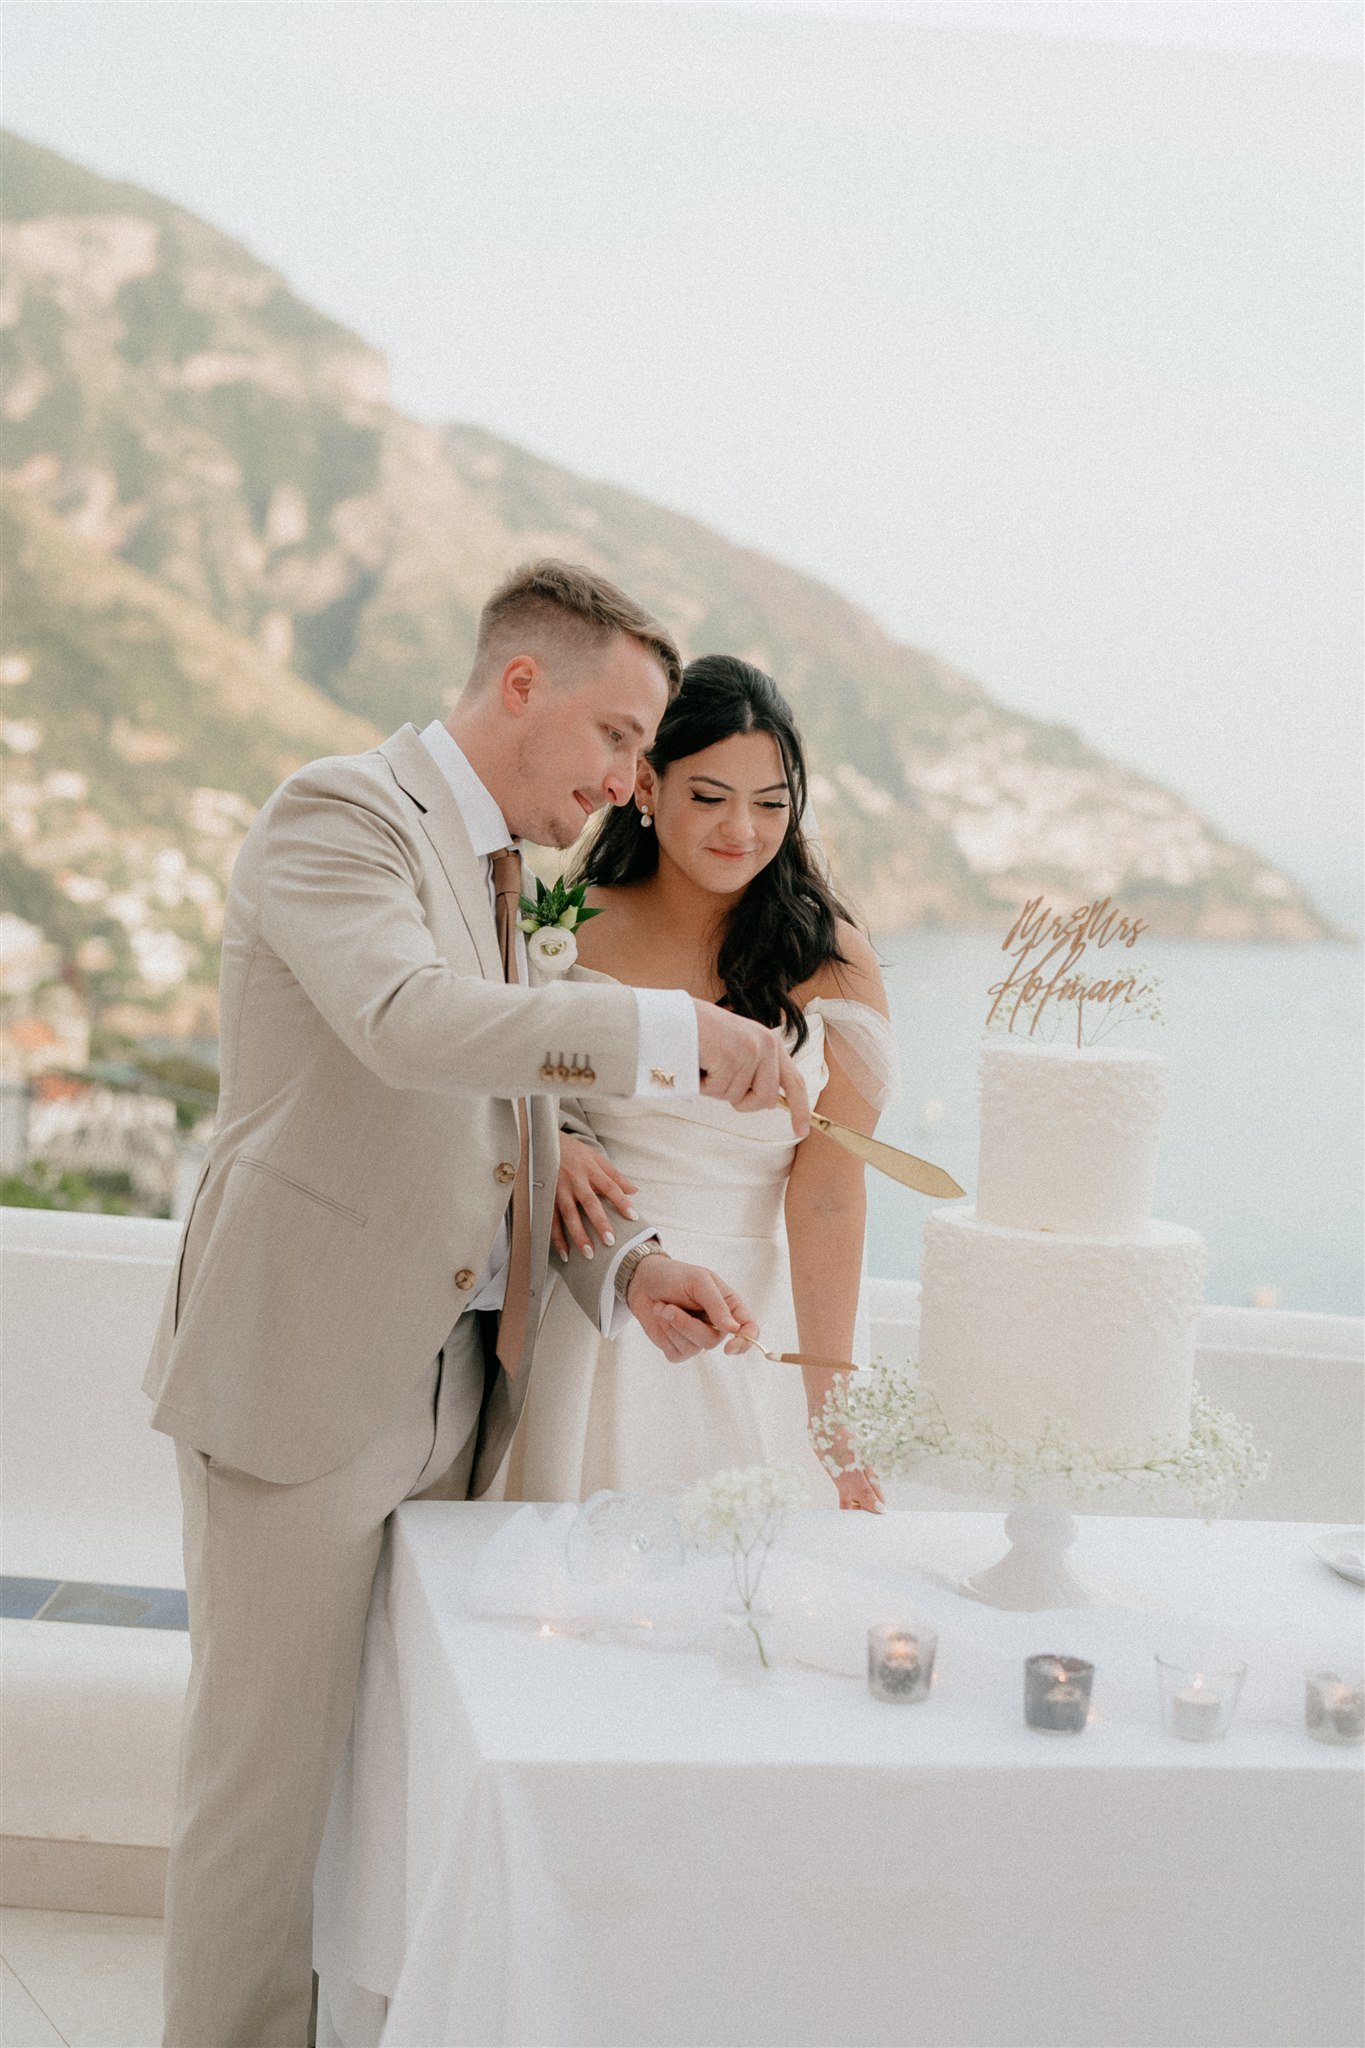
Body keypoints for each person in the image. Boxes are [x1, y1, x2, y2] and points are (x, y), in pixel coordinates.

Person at [142, 562, 813, 2048]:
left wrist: (625, 1272)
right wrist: (670, 1033)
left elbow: (503, 1132)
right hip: (302, 1390)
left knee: (382, 1787)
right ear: (522, 685)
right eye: (620, 736)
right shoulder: (338, 819)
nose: (628, 782)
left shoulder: (506, 870)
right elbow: (409, 1028)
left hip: (453, 1398)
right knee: (264, 1807)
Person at [499, 654, 897, 1512]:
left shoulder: (832, 957)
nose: (741, 832)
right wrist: (555, 1143)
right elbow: (505, 1082)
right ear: (647, 784)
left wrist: (828, 1402)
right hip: (596, 1302)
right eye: (710, 797)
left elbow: (828, 1194)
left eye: (770, 805)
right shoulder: (567, 929)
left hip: (759, 1320)